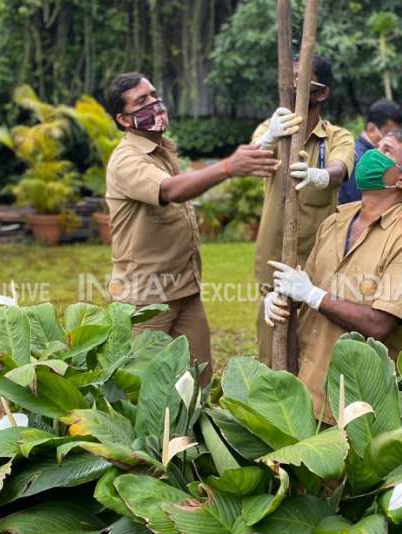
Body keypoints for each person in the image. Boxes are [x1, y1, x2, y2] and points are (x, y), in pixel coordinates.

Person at [104, 72, 278, 378]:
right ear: (124, 119)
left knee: (199, 377)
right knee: (145, 390)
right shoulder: (126, 160)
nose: (155, 104)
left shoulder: (163, 151)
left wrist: (268, 139)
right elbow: (171, 190)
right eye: (142, 101)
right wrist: (227, 167)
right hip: (146, 297)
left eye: (154, 95)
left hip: (185, 290)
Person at [264, 128, 402, 417]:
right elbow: (307, 286)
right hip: (304, 380)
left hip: (354, 400)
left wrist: (314, 295)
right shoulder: (335, 221)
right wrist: (284, 297)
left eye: (386, 151)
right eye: (376, 146)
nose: (371, 155)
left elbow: (379, 324)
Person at [252, 55, 356, 365]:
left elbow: (339, 168)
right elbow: (252, 163)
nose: (290, 84)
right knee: (273, 355)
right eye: (287, 77)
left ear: (321, 93)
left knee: (316, 355)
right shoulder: (269, 129)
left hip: (319, 265)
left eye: (299, 78)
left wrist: (319, 175)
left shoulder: (338, 136)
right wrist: (270, 137)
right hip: (274, 259)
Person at [338, 97, 402, 205]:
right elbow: (356, 203)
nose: (393, 139)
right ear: (371, 129)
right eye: (390, 133)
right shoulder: (360, 158)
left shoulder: (362, 153)